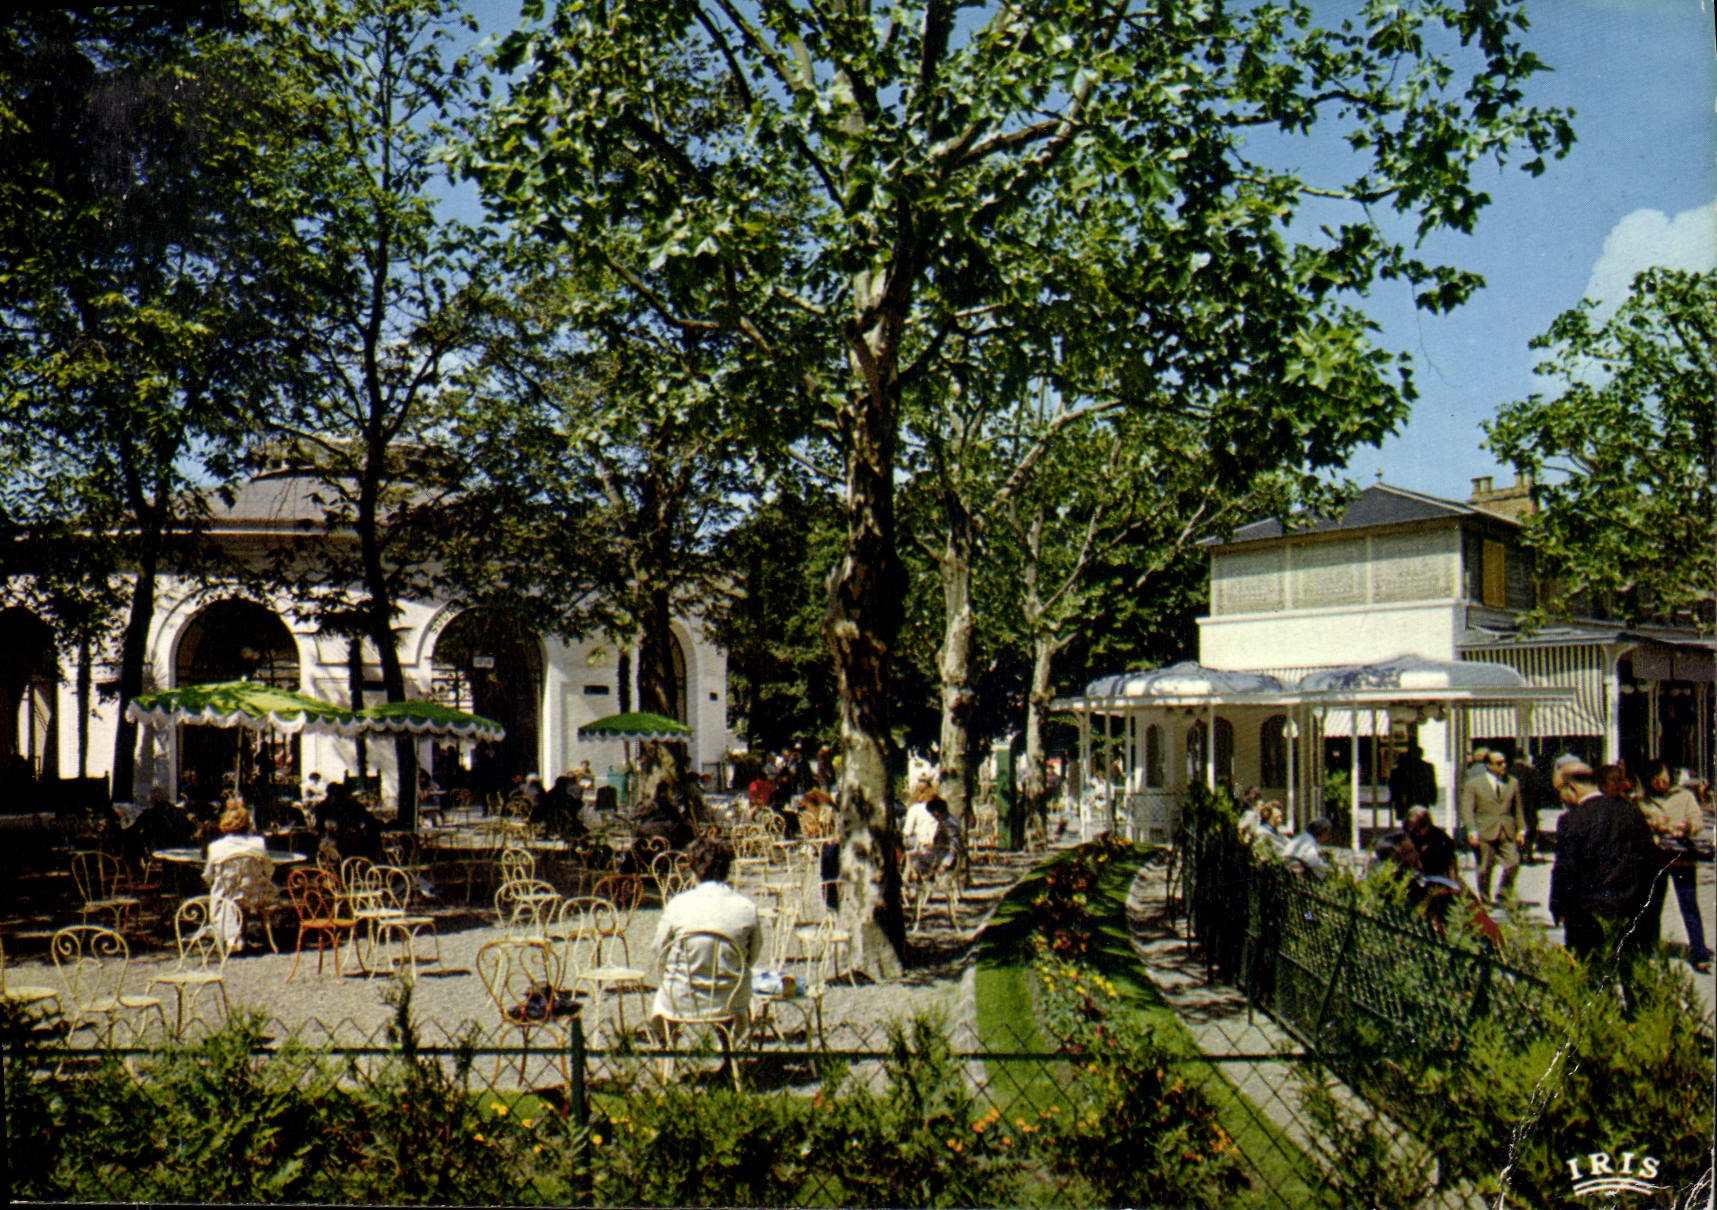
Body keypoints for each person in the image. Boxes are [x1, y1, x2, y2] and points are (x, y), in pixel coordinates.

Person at [1549, 760, 1659, 961]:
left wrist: (1559, 907)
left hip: (1587, 917)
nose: (1560, 798)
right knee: (1631, 976)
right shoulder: (1631, 812)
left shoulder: (1572, 820)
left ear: (1572, 787)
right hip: (1629, 910)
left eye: (1559, 791)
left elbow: (1565, 870)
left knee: (1590, 979)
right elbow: (1650, 863)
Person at [650, 837, 762, 1031]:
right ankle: (728, 1050)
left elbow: (659, 949)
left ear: (693, 871)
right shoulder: (746, 907)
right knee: (736, 986)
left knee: (663, 996)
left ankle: (668, 1049)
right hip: (730, 998)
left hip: (683, 997)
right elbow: (752, 955)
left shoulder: (678, 904)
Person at [1639, 758, 1712, 971]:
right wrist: (1652, 826)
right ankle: (1652, 949)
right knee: (1653, 905)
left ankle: (1699, 951)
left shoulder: (1685, 796)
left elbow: (1697, 821)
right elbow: (1638, 825)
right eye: (1656, 780)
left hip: (1682, 857)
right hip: (1656, 858)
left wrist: (1688, 826)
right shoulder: (1643, 800)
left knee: (1689, 905)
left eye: (1664, 779)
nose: (1661, 783)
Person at [203, 801, 277, 955]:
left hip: (228, 895)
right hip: (255, 893)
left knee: (220, 894)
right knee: (246, 891)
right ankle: (244, 935)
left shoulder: (216, 847)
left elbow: (208, 875)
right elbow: (269, 869)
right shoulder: (258, 843)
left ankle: (232, 938)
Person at [1461, 747, 1525, 904]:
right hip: (1484, 830)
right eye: (1499, 763)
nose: (1503, 766)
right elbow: (1467, 810)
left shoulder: (1513, 782)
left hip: (1506, 829)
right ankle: (1485, 898)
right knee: (1484, 868)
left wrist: (1522, 829)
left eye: (1504, 762)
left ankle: (1503, 893)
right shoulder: (1473, 784)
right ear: (1488, 765)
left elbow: (1518, 809)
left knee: (1513, 863)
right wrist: (1471, 830)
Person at [907, 797, 964, 883]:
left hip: (942, 857)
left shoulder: (948, 824)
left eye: (935, 815)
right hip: (941, 853)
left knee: (915, 858)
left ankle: (923, 882)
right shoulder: (951, 819)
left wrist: (946, 863)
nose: (934, 817)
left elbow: (954, 845)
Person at [1388, 743, 1438, 820]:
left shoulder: (1402, 767)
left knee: (1407, 819)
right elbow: (1432, 784)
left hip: (1407, 799)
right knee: (1420, 818)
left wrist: (1394, 798)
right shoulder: (1427, 767)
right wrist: (1433, 798)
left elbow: (1394, 785)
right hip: (1422, 798)